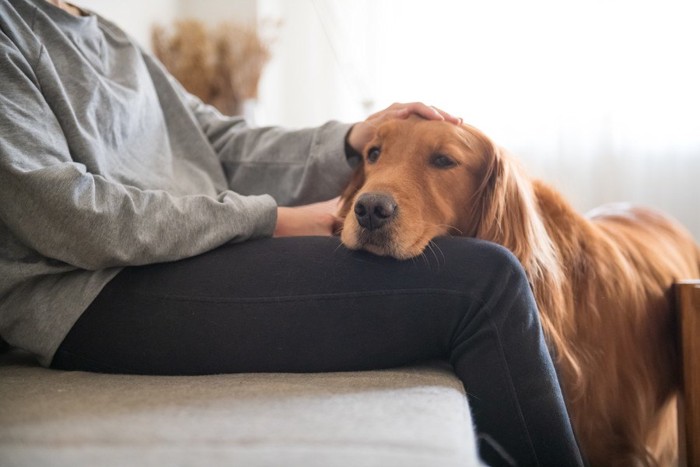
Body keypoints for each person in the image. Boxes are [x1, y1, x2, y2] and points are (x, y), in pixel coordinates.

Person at [0, 0, 585, 465]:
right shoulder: (10, 29)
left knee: (479, 270)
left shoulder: (100, 30)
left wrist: (355, 137)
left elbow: (220, 143)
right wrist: (275, 220)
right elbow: (72, 216)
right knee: (485, 283)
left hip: (184, 259)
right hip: (92, 294)